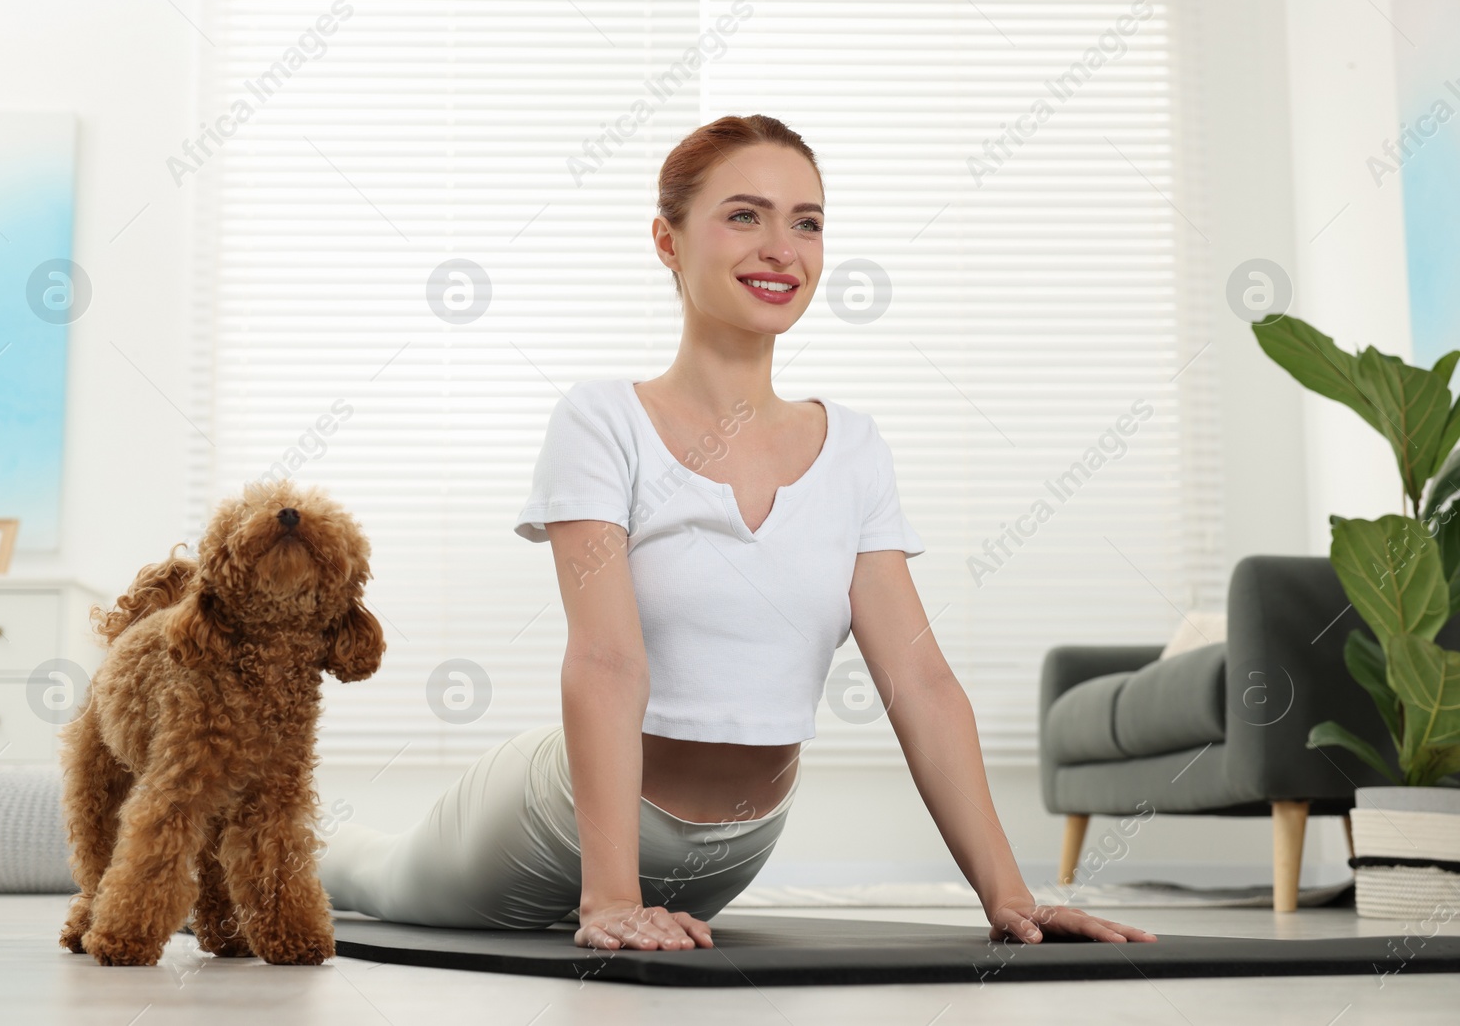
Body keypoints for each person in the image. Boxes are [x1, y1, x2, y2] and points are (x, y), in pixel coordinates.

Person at [318, 113, 1158, 952]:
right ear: (667, 241)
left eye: (808, 222)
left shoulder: (854, 447)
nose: (782, 248)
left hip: (733, 850)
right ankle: (260, 843)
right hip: (561, 817)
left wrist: (1011, 895)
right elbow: (607, 659)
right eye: (744, 215)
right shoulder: (603, 420)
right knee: (367, 875)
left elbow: (922, 682)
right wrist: (610, 897)